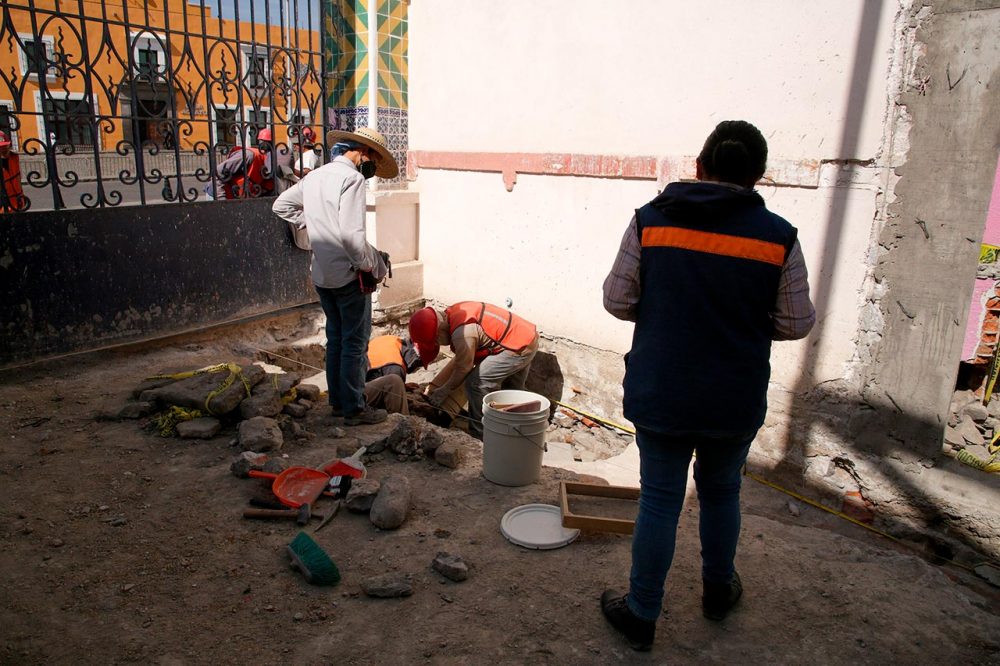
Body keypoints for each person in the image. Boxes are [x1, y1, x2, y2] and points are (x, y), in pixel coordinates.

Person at [599, 120, 815, 651]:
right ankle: (718, 592)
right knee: (722, 492)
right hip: (733, 395)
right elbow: (795, 323)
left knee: (660, 500)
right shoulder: (778, 237)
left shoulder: (650, 223)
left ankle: (643, 613)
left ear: (698, 166)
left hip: (662, 389)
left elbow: (618, 300)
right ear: (758, 177)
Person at [272, 127, 398, 426]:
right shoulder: (352, 178)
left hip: (322, 275)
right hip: (348, 275)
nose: (370, 167)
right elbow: (352, 236)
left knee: (336, 340)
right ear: (362, 152)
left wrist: (314, 226)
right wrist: (368, 266)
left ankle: (338, 404)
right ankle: (354, 408)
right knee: (354, 343)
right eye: (372, 159)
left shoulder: (314, 176)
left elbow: (281, 205)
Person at [408, 301, 539, 439]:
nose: (439, 344)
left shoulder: (462, 333)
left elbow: (463, 368)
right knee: (512, 391)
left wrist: (443, 391)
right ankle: (525, 426)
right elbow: (464, 361)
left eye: (436, 341)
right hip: (523, 336)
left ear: (439, 331)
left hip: (517, 346)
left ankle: (480, 434)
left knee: (477, 383)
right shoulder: (454, 313)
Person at [209, 128, 275, 199]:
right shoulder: (249, 155)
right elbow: (218, 172)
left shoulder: (271, 161)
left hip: (238, 197)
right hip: (217, 192)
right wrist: (221, 199)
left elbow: (268, 188)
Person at [0, 132, 26, 213]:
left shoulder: (14, 158)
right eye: (1, 147)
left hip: (17, 202)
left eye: (5, 145)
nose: (3, 148)